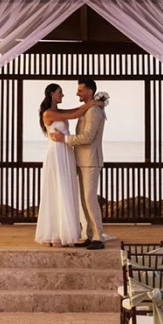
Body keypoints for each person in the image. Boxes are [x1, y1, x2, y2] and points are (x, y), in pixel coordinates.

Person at [35, 83, 104, 247]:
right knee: (58, 191)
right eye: (60, 92)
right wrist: (93, 102)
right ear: (52, 94)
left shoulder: (59, 112)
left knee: (69, 192)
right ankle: (56, 234)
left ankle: (81, 234)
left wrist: (94, 103)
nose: (64, 95)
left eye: (80, 90)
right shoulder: (48, 113)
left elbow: (76, 111)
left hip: (67, 153)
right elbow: (75, 115)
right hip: (57, 153)